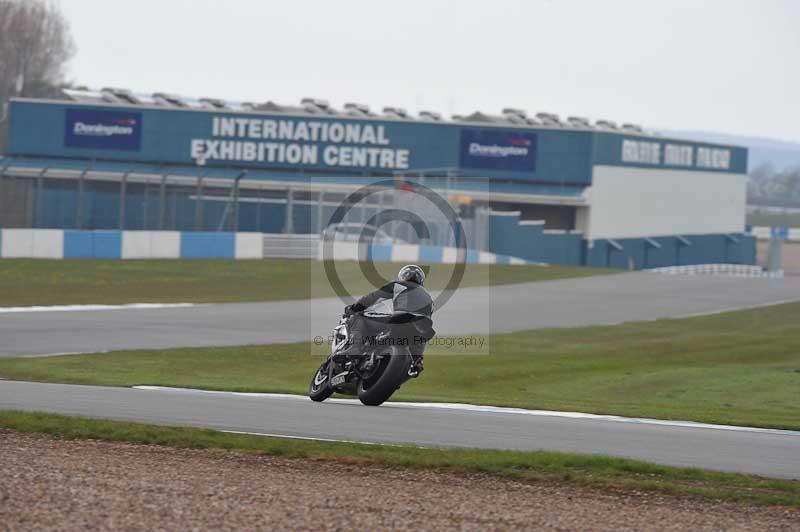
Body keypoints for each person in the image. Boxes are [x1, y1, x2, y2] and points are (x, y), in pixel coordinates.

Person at [339, 264, 435, 375]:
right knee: (419, 334)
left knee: (359, 317)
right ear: (421, 280)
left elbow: (373, 297)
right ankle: (417, 361)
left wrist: (353, 308)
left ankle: (355, 348)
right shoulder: (430, 299)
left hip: (400, 320)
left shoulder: (399, 285)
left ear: (402, 276)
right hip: (423, 330)